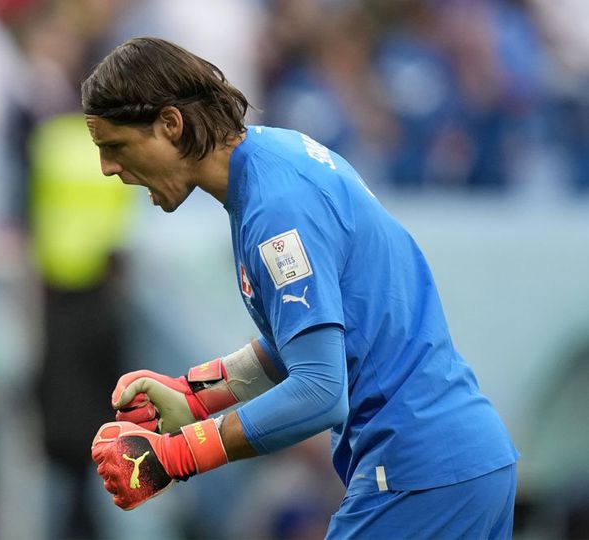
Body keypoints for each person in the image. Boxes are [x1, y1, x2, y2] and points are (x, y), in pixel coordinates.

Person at [84, 37, 519, 538]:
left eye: (115, 146)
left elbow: (319, 391)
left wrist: (178, 455)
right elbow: (310, 334)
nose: (107, 168)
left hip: (418, 473)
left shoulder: (276, 209)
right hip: (455, 463)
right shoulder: (275, 158)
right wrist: (197, 394)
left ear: (170, 124)